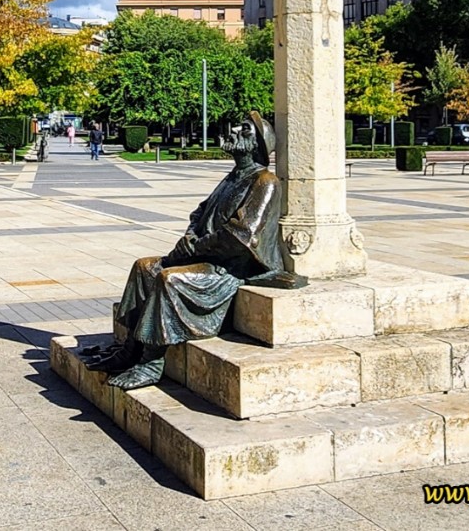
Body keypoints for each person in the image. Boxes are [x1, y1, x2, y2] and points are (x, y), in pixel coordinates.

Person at [80, 112, 302, 390]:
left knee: (168, 279)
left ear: (255, 143)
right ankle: (130, 350)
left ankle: (151, 362)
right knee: (144, 268)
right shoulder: (233, 176)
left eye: (243, 129)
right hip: (204, 255)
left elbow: (243, 236)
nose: (233, 130)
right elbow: (200, 211)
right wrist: (190, 236)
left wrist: (196, 246)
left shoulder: (265, 182)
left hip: (229, 268)